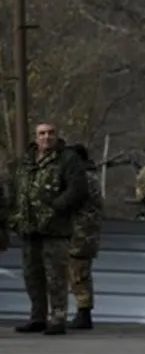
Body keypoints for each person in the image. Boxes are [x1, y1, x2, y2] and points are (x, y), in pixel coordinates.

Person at [11, 121, 89, 335]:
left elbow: (78, 189)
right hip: (29, 228)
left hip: (55, 229)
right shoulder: (26, 161)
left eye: (51, 133)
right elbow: (14, 188)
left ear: (56, 135)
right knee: (32, 276)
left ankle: (58, 317)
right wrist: (14, 218)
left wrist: (56, 208)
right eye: (42, 133)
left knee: (56, 276)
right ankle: (37, 317)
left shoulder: (68, 159)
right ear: (36, 137)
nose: (46, 137)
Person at [66, 143, 104, 329]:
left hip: (82, 233)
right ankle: (83, 311)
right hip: (84, 232)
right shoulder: (89, 176)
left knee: (78, 273)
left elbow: (71, 199)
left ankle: (84, 312)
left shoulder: (84, 178)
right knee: (78, 272)